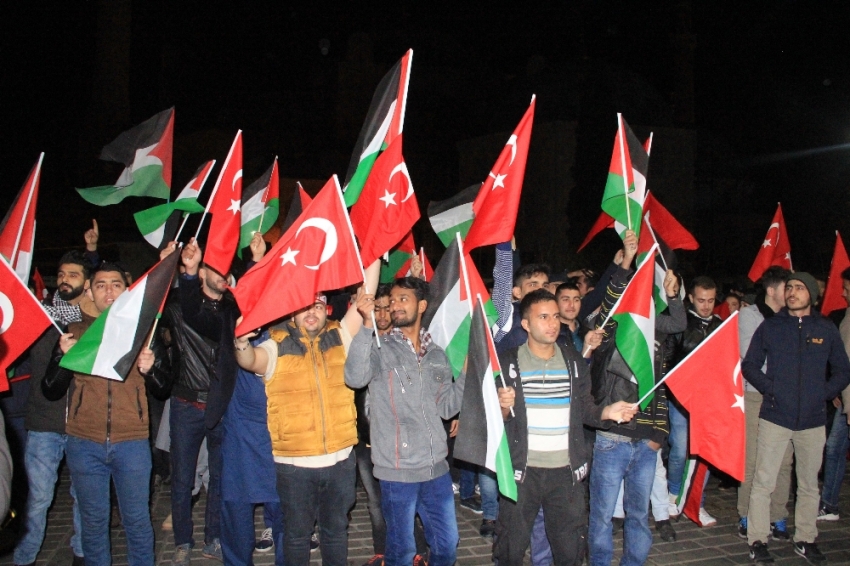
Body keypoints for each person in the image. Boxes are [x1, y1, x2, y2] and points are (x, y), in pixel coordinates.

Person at [234, 260, 379, 566]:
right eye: (303, 307)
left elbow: (366, 293)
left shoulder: (339, 335)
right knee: (297, 536)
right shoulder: (276, 344)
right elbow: (250, 360)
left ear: (325, 309)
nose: (310, 312)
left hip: (339, 461)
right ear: (292, 312)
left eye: (317, 305)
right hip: (294, 466)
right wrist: (240, 342)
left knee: (336, 532)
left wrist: (376, 250)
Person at [42, 262, 172, 566]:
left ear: (126, 290)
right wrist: (62, 357)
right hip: (84, 442)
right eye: (101, 284)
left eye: (115, 284)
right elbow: (51, 389)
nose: (109, 290)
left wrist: (151, 369)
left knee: (137, 521)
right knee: (93, 522)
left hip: (132, 442)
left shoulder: (144, 332)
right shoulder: (73, 333)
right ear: (90, 290)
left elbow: (163, 389)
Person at [493, 289, 637, 565]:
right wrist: (501, 406)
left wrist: (608, 411)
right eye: (543, 317)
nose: (552, 323)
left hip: (565, 473)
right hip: (522, 472)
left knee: (569, 550)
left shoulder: (572, 360)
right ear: (525, 324)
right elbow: (494, 420)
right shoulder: (508, 362)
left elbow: (585, 408)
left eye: (555, 316)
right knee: (511, 547)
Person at [345, 277, 465, 566]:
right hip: (397, 471)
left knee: (447, 544)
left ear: (421, 305)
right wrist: (364, 326)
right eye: (393, 300)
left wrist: (466, 377)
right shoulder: (379, 347)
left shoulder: (437, 354)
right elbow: (354, 377)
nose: (396, 306)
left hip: (436, 467)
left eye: (403, 299)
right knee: (401, 550)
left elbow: (447, 406)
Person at [743, 272, 850, 563]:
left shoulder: (825, 328)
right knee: (763, 481)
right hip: (775, 417)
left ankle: (805, 537)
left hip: (813, 421)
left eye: (799, 288)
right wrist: (771, 389)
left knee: (808, 484)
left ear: (812, 295)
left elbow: (843, 369)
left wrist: (824, 393)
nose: (792, 292)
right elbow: (750, 365)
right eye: (789, 287)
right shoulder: (771, 326)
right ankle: (757, 539)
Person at [587, 230, 671, 566]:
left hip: (645, 442)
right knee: (603, 515)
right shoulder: (607, 330)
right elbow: (606, 302)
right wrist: (627, 261)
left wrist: (660, 434)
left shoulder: (655, 339)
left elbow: (660, 389)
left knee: (638, 515)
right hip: (612, 438)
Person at [13, 251, 90, 566]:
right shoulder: (40, 317)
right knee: (37, 498)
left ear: (86, 283)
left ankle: (82, 555)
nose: (64, 280)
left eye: (73, 275)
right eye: (61, 274)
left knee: (83, 499)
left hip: (85, 422)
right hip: (46, 422)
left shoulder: (94, 321)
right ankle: (24, 557)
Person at [736, 266, 793, 541]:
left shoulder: (793, 318)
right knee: (753, 458)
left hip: (788, 398)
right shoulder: (750, 316)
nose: (791, 293)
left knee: (784, 460)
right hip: (757, 394)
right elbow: (752, 359)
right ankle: (746, 514)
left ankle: (777, 516)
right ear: (771, 290)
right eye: (787, 287)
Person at [667, 276, 722, 527]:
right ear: (691, 298)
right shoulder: (680, 322)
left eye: (711, 301)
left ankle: (696, 500)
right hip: (680, 398)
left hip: (709, 400)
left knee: (704, 451)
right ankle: (673, 494)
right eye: (701, 300)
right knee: (680, 448)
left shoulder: (721, 324)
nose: (706, 306)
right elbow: (668, 359)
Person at [818, 266, 850, 522]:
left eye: (848, 289)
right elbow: (836, 360)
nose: (844, 294)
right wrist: (835, 388)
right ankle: (829, 504)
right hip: (844, 401)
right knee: (833, 449)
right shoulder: (842, 317)